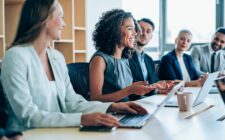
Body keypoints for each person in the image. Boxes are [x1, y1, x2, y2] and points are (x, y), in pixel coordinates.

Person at [1, 0, 148, 131]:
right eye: (61, 16)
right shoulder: (15, 57)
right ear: (44, 18)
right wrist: (82, 119)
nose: (64, 24)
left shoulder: (56, 57)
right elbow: (28, 115)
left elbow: (72, 102)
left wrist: (112, 107)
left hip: (59, 132)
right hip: (26, 135)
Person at [89, 9, 157, 102]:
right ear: (115, 31)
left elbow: (127, 96)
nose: (135, 33)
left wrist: (153, 90)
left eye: (134, 29)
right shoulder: (99, 59)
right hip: (110, 114)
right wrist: (130, 90)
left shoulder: (125, 59)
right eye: (130, 29)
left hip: (126, 110)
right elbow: (95, 99)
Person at [129, 18, 174, 100]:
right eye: (141, 29)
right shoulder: (126, 56)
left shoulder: (149, 60)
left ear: (151, 37)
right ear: (134, 32)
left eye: (148, 31)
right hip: (134, 102)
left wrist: (159, 90)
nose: (144, 34)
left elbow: (153, 84)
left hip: (150, 100)